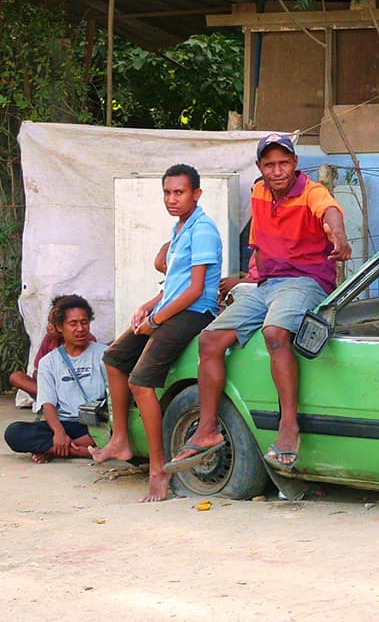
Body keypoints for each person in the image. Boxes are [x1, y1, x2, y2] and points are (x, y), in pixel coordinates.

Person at [165, 134, 352, 474]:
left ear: (294, 164)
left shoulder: (312, 191)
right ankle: (207, 430)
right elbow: (260, 250)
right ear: (260, 168)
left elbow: (330, 211)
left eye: (283, 163)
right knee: (209, 340)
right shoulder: (258, 193)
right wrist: (248, 282)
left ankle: (289, 427)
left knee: (275, 332)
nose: (277, 170)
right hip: (267, 285)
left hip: (307, 281)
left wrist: (338, 236)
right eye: (270, 164)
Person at [89, 164, 223, 502]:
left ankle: (158, 471)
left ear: (197, 194)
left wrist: (156, 319)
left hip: (195, 312)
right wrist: (149, 305)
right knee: (114, 357)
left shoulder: (203, 229)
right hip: (173, 306)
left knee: (140, 381)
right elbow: (174, 285)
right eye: (167, 192)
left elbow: (194, 291)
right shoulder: (180, 227)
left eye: (179, 192)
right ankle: (120, 439)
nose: (172, 199)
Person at [4, 295, 106, 463]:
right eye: (73, 324)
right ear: (60, 327)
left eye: (84, 322)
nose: (80, 328)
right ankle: (82, 450)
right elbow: (48, 403)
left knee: (116, 433)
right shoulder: (48, 362)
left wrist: (58, 444)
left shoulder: (104, 354)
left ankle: (55, 450)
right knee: (14, 433)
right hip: (64, 423)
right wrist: (59, 433)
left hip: (97, 425)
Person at [8, 296, 99, 403]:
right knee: (17, 377)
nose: (49, 327)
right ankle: (52, 399)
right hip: (53, 388)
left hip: (76, 388)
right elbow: (38, 370)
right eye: (49, 322)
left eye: (52, 323)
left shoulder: (84, 339)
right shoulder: (49, 340)